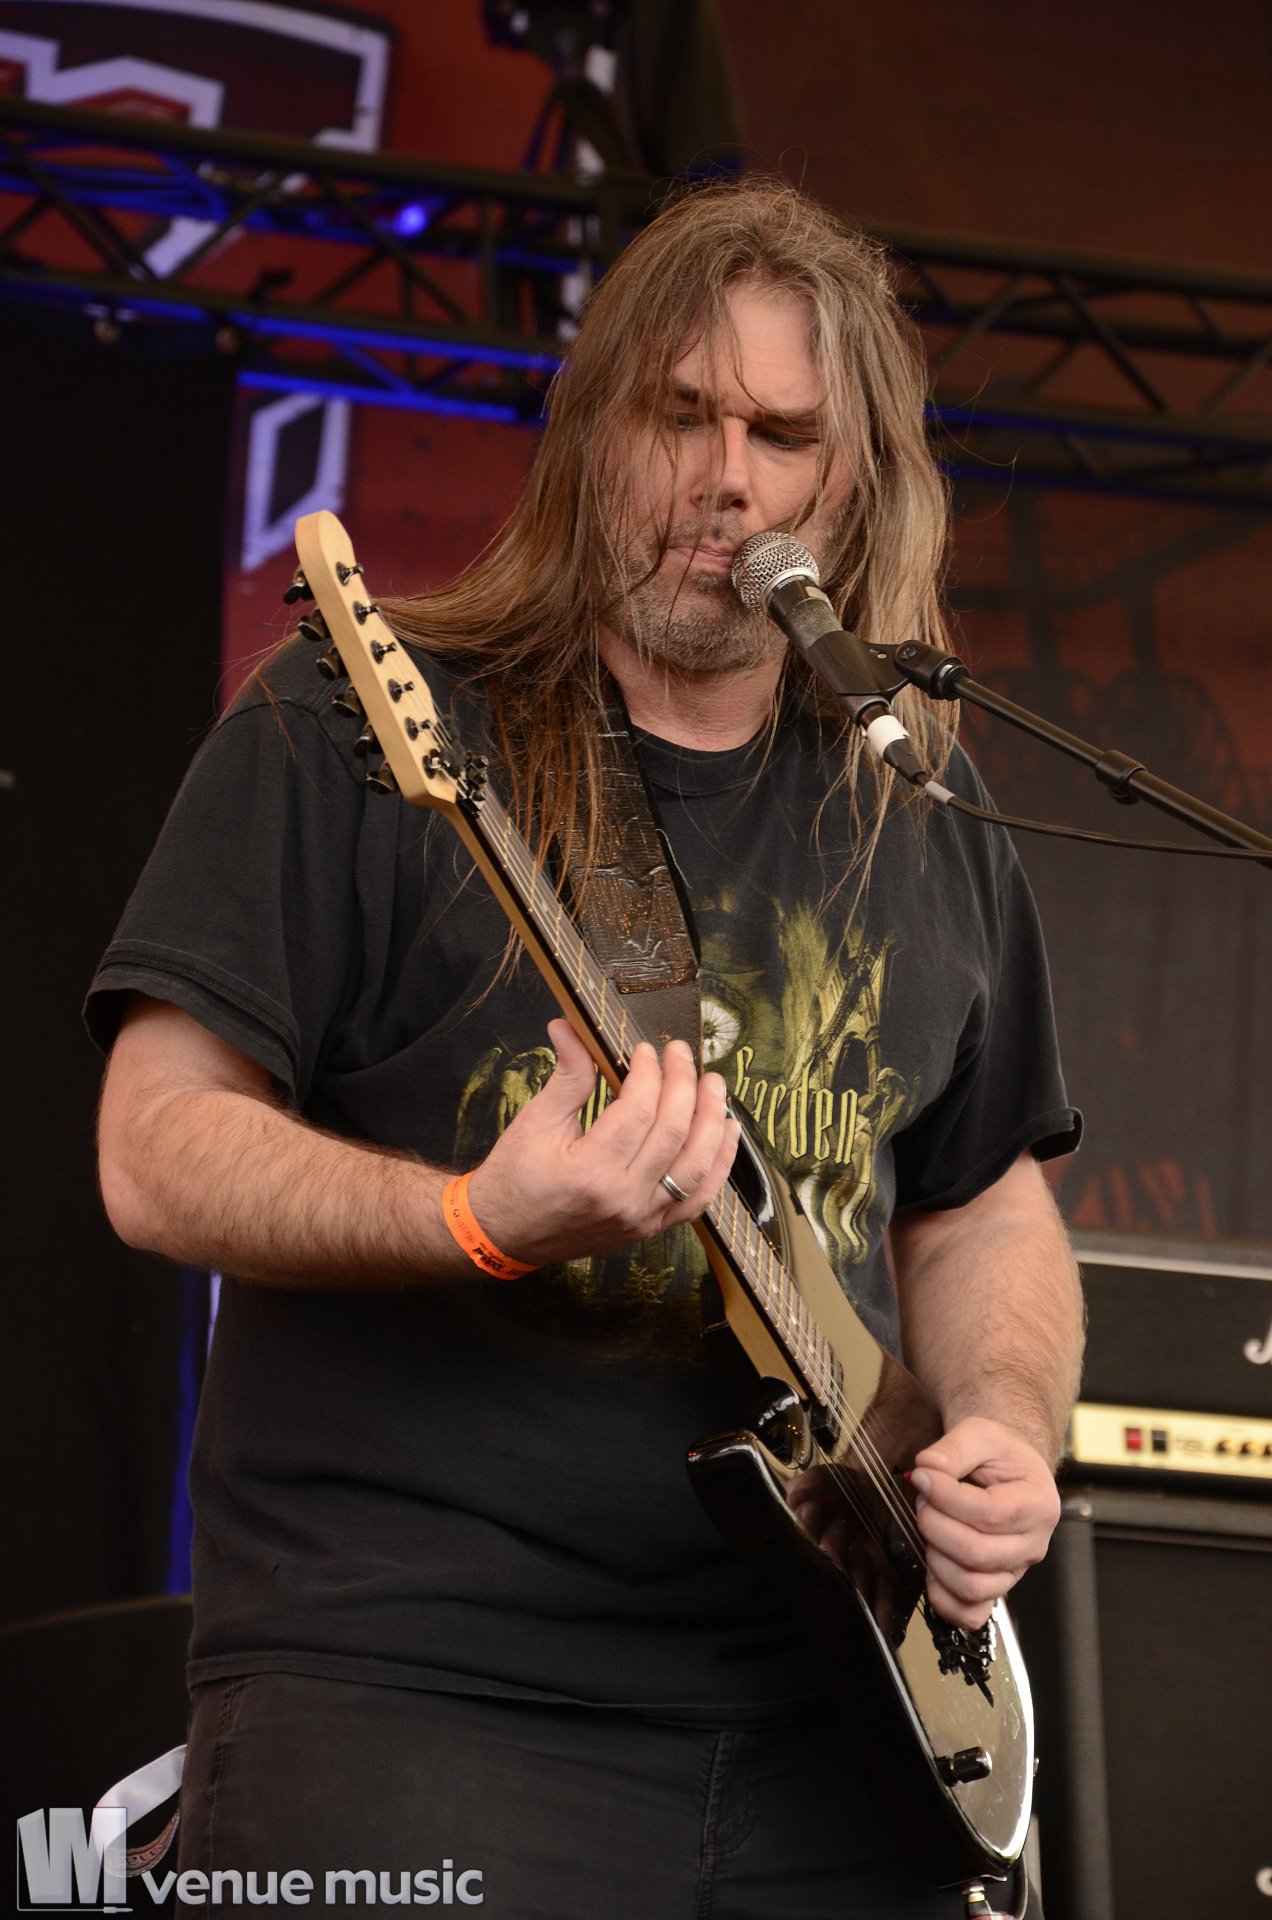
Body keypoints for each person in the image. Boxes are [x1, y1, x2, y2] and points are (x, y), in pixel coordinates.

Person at [90, 179, 1083, 1918]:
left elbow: (981, 1199)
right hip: (420, 1686)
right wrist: (478, 1219)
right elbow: (152, 1146)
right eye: (680, 413)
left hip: (839, 1725)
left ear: (851, 485)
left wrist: (1005, 1424)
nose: (726, 478)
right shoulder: (358, 722)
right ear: (593, 431)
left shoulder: (916, 804)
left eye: (783, 435)